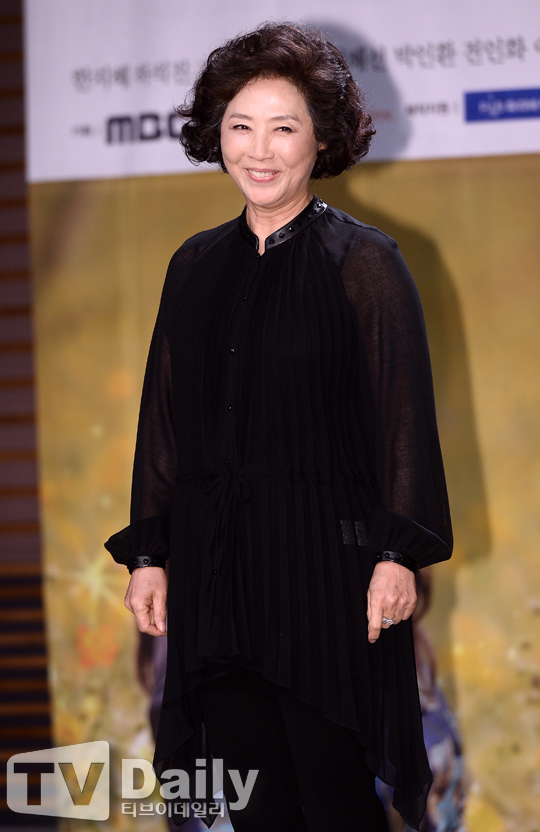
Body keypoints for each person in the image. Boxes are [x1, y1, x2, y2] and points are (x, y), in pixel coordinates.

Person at [105, 21, 453, 832]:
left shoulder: (365, 263)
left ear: (320, 138)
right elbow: (164, 422)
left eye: (283, 128)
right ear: (217, 135)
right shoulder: (194, 265)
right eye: (241, 126)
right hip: (218, 575)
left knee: (336, 801)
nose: (259, 150)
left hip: (326, 579)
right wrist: (150, 556)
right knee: (253, 805)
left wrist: (398, 556)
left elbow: (403, 420)